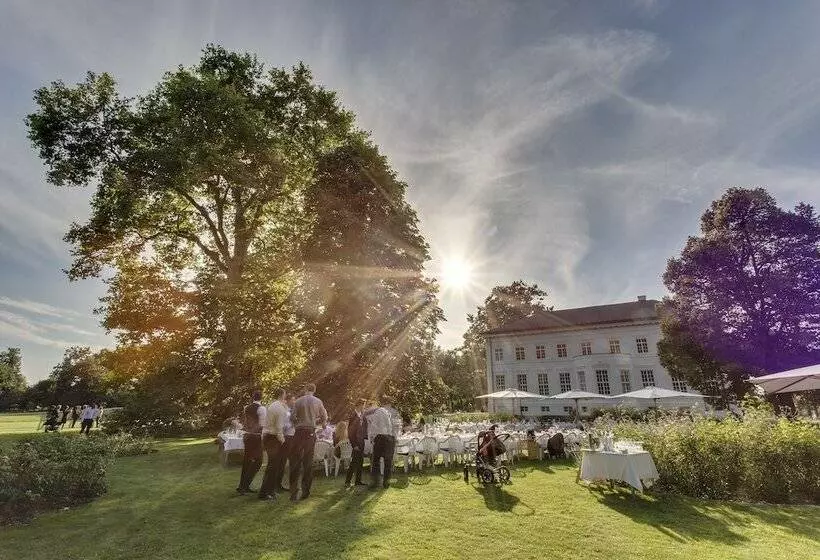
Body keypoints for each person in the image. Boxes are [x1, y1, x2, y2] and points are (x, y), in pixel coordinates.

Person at [288, 383, 327, 501]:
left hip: (299, 432)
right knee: (308, 462)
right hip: (310, 432)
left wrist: (297, 424)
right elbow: (324, 416)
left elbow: (292, 417)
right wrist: (319, 422)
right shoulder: (318, 401)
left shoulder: (298, 401)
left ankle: (293, 492)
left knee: (295, 462)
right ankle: (305, 491)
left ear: (305, 389)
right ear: (314, 390)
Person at [258, 389, 289, 501]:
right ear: (282, 395)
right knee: (272, 467)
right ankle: (264, 493)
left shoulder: (272, 405)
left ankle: (271, 491)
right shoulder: (279, 408)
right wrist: (283, 441)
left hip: (268, 436)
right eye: (285, 394)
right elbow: (279, 428)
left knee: (273, 466)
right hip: (273, 438)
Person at [236, 391, 267, 495]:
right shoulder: (262, 409)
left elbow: (245, 422)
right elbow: (263, 424)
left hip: (247, 436)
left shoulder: (246, 408)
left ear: (253, 398)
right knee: (258, 462)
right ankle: (244, 486)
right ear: (261, 398)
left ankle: (242, 486)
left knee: (247, 461)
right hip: (256, 437)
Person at [365, 398, 398, 490]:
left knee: (376, 461)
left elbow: (373, 428)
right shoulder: (388, 413)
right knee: (388, 462)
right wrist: (395, 438)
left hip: (380, 438)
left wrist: (371, 438)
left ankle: (375, 483)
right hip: (390, 438)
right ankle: (386, 483)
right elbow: (393, 427)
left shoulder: (376, 413)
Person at [344, 399, 367, 488]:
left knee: (360, 462)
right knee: (354, 462)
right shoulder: (353, 416)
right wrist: (354, 445)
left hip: (361, 442)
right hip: (356, 443)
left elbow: (364, 428)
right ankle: (348, 481)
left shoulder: (362, 416)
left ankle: (358, 481)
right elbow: (350, 432)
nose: (364, 407)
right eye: (363, 405)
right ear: (359, 405)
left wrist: (365, 438)